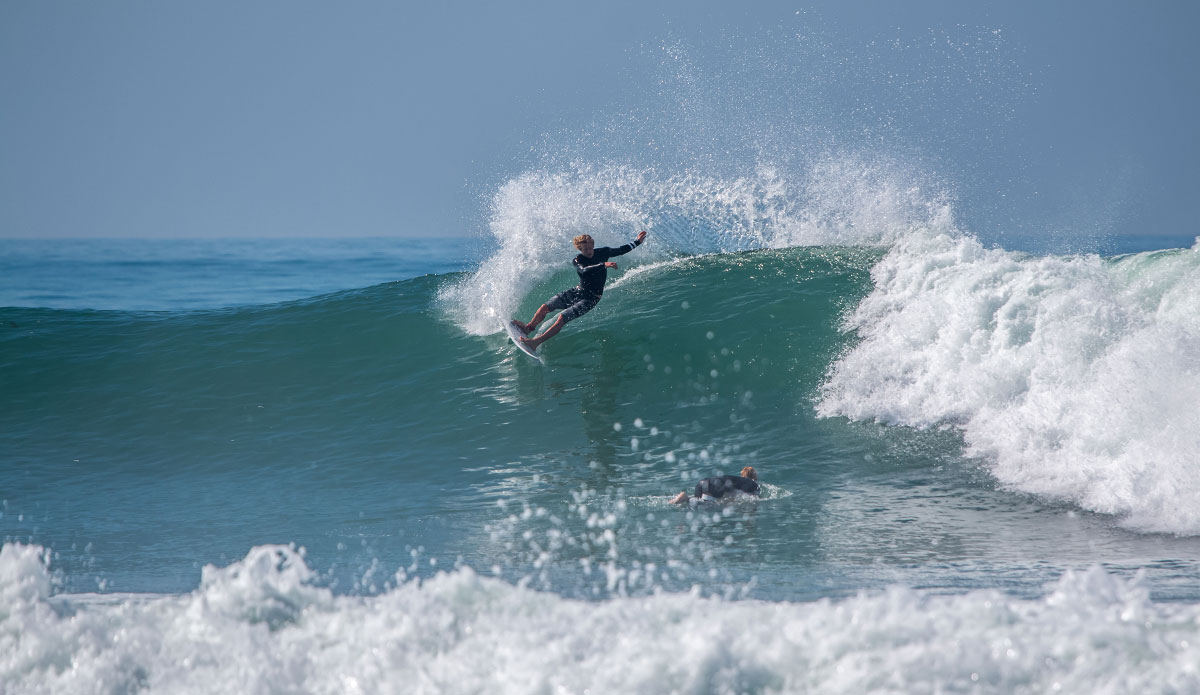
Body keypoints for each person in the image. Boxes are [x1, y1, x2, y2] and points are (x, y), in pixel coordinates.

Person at [511, 230, 648, 350]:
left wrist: (637, 242)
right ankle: (528, 328)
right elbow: (584, 271)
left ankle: (535, 343)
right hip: (578, 291)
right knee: (545, 307)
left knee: (561, 318)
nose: (588, 251)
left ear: (593, 245)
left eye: (590, 248)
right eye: (584, 249)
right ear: (580, 249)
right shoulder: (577, 260)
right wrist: (603, 265)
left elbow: (620, 250)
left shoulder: (603, 252)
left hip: (591, 298)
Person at [670, 466, 760, 505]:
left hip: (703, 482)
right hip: (716, 486)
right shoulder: (753, 485)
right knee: (713, 505)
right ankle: (686, 498)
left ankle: (687, 498)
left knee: (697, 501)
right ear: (754, 477)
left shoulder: (737, 480)